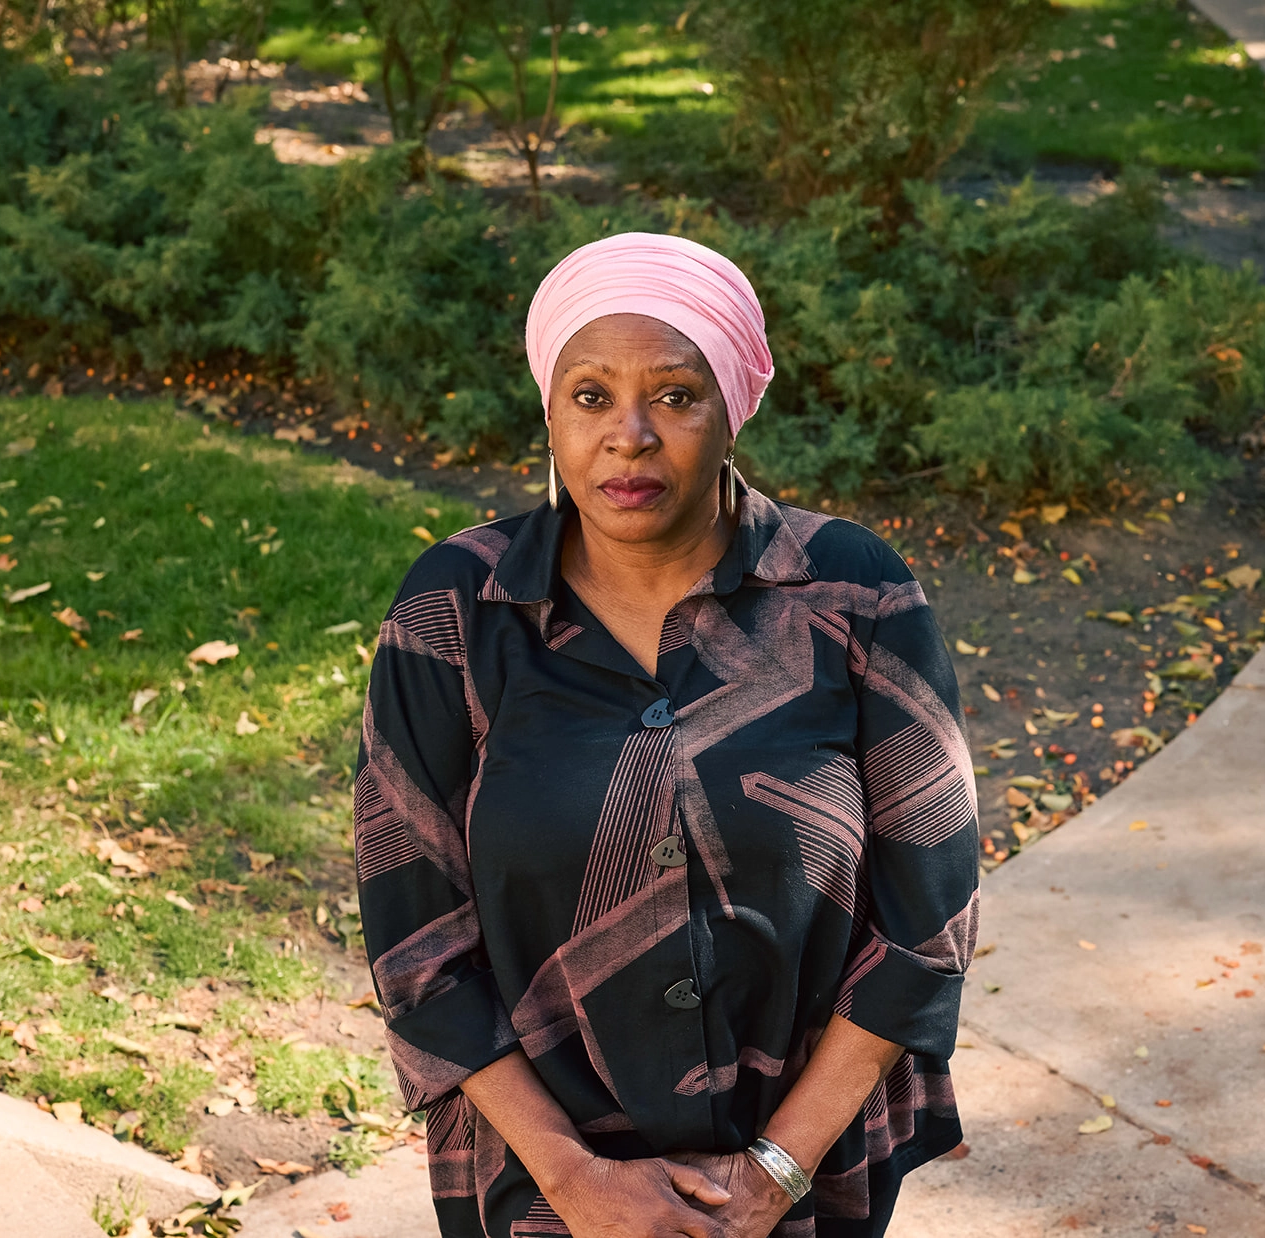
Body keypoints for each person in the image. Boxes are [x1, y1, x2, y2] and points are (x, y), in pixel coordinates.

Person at [353, 232, 980, 1238]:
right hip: (539, 1183)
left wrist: (774, 1170)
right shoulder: (459, 610)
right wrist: (571, 1175)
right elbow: (417, 939)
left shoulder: (853, 593)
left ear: (734, 406)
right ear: (549, 413)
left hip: (803, 1173)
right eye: (591, 395)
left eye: (677, 395)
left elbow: (929, 915)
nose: (630, 435)